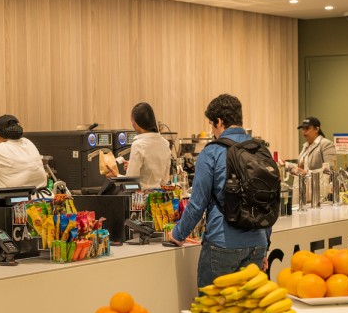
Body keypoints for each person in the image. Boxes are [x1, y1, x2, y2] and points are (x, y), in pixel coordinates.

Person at [169, 94, 270, 289]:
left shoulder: (211, 152)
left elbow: (198, 203)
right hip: (257, 244)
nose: (213, 132)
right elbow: (266, 202)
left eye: (212, 125)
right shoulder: (259, 150)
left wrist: (178, 233)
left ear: (219, 121)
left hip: (222, 244)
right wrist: (264, 245)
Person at [113, 102, 172, 189]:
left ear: (135, 122)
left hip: (141, 200)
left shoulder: (138, 145)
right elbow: (164, 180)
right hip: (158, 198)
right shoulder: (165, 143)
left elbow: (130, 183)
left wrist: (116, 175)